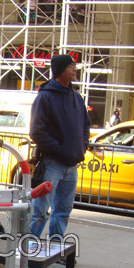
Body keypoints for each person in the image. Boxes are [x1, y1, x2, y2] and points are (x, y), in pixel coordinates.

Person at [29, 54, 90, 239]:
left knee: (63, 211)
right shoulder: (45, 97)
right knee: (40, 211)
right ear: (60, 70)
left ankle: (55, 246)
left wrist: (81, 146)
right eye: (70, 66)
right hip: (52, 163)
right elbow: (37, 131)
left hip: (72, 165)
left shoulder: (76, 97)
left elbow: (85, 125)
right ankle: (28, 246)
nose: (74, 69)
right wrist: (60, 149)